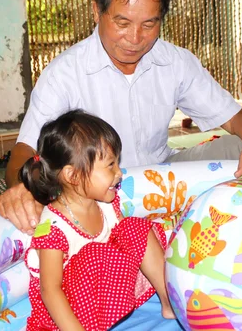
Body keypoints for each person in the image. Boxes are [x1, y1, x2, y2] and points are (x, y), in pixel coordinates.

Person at [0, 0, 242, 234]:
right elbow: (23, 153)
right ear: (97, 11)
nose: (135, 38)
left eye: (149, 24)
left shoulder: (175, 62)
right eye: (122, 22)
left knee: (236, 150)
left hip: (163, 179)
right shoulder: (64, 73)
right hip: (97, 192)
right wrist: (21, 190)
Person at [21, 110, 174, 330]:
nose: (119, 173)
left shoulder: (106, 204)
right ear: (72, 176)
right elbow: (50, 290)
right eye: (111, 165)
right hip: (69, 315)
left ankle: (169, 300)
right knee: (94, 255)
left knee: (134, 227)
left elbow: (125, 246)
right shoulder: (53, 228)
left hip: (105, 298)